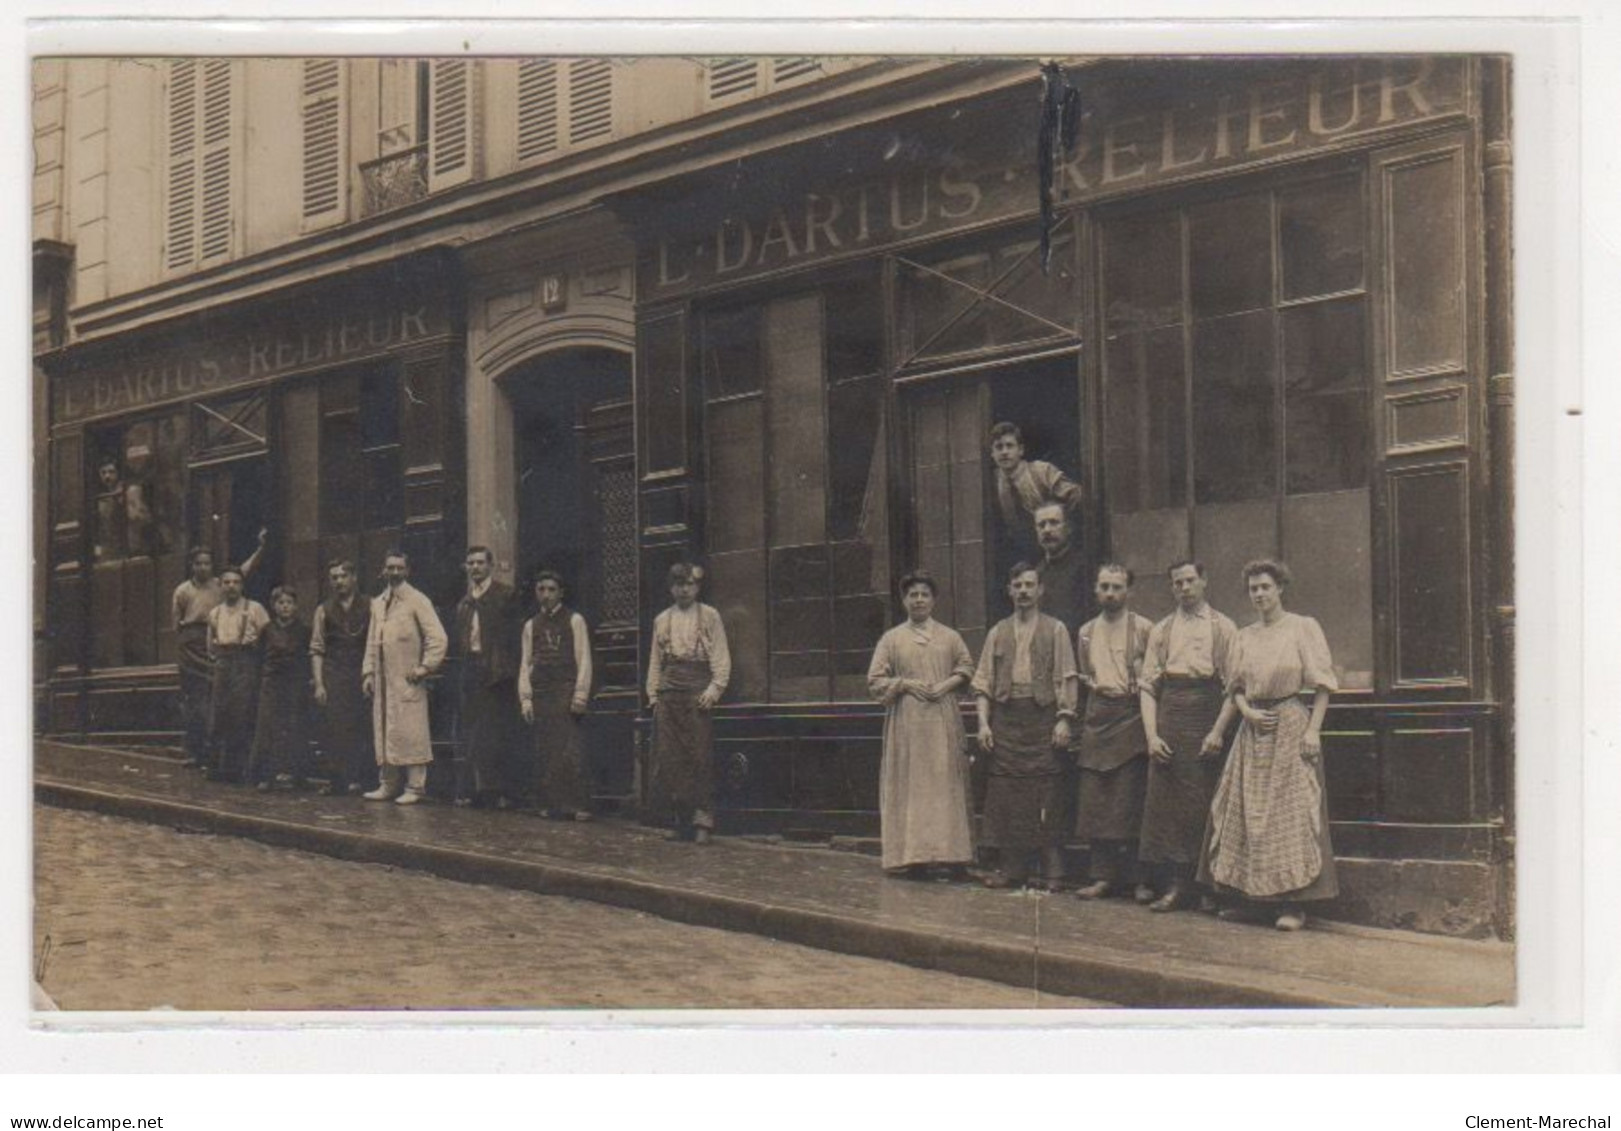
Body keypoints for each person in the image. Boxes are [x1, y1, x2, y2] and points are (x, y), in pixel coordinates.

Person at [1198, 559, 1339, 932]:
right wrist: (1246, 714)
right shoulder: (1243, 636)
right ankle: (1252, 902)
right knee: (1245, 814)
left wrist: (1313, 731)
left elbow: (1323, 685)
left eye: (1265, 587)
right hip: (1253, 730)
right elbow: (1236, 689)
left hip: (1290, 725)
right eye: (1253, 589)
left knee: (1288, 814)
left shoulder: (1302, 628)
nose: (1259, 594)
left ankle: (1293, 906)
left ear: (1280, 589)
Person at [1136, 560, 1238, 912]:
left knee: (1207, 801)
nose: (1184, 588)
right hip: (1171, 713)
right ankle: (1176, 885)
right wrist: (1151, 735)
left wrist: (1217, 732)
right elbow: (1148, 686)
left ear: (1204, 581)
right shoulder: (1162, 630)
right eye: (1177, 583)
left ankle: (1209, 887)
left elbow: (1234, 688)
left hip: (1207, 714)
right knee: (1169, 805)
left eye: (1190, 580)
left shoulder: (1223, 627)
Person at [971, 562, 1078, 890]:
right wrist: (983, 724)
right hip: (1006, 720)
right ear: (1009, 591)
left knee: (1047, 794)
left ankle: (1054, 873)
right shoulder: (997, 632)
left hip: (1042, 717)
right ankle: (1013, 870)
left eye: (1029, 585)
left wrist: (1064, 718)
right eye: (1017, 585)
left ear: (1040, 590)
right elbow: (983, 683)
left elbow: (1067, 677)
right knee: (1007, 795)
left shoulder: (1056, 629)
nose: (1023, 592)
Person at [866, 570, 976, 880]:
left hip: (942, 720)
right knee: (913, 786)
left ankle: (950, 856)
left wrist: (946, 686)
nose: (918, 600)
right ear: (904, 601)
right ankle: (914, 857)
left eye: (924, 594)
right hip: (908, 725)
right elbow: (875, 680)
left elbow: (967, 667)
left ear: (933, 600)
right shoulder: (892, 639)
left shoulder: (950, 637)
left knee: (944, 785)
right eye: (912, 594)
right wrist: (903, 684)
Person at [1072, 564, 1155, 902]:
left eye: (1117, 587)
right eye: (1104, 586)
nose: (1110, 593)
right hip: (1098, 716)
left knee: (1130, 800)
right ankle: (1102, 876)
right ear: (1095, 589)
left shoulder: (1145, 629)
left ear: (1129, 591)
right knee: (1097, 802)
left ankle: (1140, 880)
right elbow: (1084, 675)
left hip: (1131, 715)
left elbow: (1152, 678)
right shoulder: (1086, 632)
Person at [646, 563, 731, 844]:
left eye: (689, 584)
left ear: (697, 587)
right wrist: (653, 695)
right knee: (670, 757)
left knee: (699, 755)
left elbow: (720, 655)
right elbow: (655, 662)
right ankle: (678, 818)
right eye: (678, 584)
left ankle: (702, 821)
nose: (684, 589)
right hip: (669, 691)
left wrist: (714, 689)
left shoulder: (710, 616)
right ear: (671, 588)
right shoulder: (661, 620)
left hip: (697, 691)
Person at [362, 550, 449, 806]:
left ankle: (415, 787)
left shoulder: (417, 600)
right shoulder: (378, 603)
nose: (395, 572)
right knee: (385, 729)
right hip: (383, 681)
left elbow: (438, 638)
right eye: (390, 567)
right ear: (384, 570)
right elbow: (371, 641)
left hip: (407, 680)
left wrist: (424, 667)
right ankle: (388, 784)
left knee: (412, 731)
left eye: (400, 568)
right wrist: (368, 672)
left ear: (407, 571)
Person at [172, 532, 266, 770]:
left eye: (207, 563)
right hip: (193, 643)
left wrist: (260, 549)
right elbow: (177, 624)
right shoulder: (182, 591)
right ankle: (196, 752)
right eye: (198, 563)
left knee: (220, 703)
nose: (203, 567)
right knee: (195, 701)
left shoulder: (221, 584)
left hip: (221, 641)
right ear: (191, 566)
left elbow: (243, 571)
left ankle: (222, 757)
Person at [519, 570, 595, 821]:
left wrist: (580, 694)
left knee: (570, 748)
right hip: (542, 692)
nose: (546, 595)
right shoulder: (531, 625)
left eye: (552, 589)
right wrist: (526, 698)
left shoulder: (575, 620)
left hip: (566, 689)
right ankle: (550, 803)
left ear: (561, 592)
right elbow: (525, 663)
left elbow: (583, 659)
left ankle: (576, 804)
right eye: (541, 589)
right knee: (545, 749)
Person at [452, 546, 523, 808]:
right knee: (473, 731)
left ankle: (500, 790)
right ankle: (477, 789)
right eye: (470, 563)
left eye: (480, 563)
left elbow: (514, 639)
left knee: (497, 732)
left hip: (498, 673)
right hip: (471, 670)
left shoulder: (505, 595)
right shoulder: (464, 603)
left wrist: (507, 669)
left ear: (490, 566)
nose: (475, 568)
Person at [310, 559, 374, 795]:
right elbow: (317, 649)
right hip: (335, 675)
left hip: (363, 675)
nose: (339, 582)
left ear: (354, 578)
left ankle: (363, 780)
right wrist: (319, 684)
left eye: (343, 576)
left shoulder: (371, 605)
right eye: (334, 577)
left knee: (363, 727)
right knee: (335, 728)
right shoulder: (323, 610)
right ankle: (336, 781)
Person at [205, 565, 270, 783]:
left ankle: (246, 770)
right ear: (220, 586)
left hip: (247, 664)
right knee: (221, 715)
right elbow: (210, 647)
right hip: (224, 666)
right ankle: (223, 769)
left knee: (244, 714)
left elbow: (269, 639)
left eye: (236, 582)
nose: (231, 587)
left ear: (242, 585)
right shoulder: (215, 614)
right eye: (227, 582)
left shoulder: (255, 609)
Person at [248, 585, 314, 792]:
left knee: (296, 727)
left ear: (295, 606)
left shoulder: (304, 630)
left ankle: (298, 776)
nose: (285, 607)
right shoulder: (267, 630)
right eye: (280, 603)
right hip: (272, 684)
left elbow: (309, 657)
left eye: (289, 603)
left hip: (296, 684)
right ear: (273, 606)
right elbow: (258, 658)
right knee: (268, 728)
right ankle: (266, 776)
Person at [989, 422, 1083, 548]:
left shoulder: (1042, 471)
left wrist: (1065, 529)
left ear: (1020, 450)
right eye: (999, 447)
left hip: (1060, 545)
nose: (1004, 452)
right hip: (1028, 552)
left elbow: (1076, 495)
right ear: (992, 454)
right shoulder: (994, 483)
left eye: (1009, 446)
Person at [1032, 502, 1088, 639]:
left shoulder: (1085, 567)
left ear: (1068, 528)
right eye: (1041, 525)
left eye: (1054, 523)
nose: (1047, 530)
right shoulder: (1036, 574)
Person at [92, 456, 154, 561]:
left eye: (111, 472)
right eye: (103, 472)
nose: (107, 476)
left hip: (132, 548)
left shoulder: (130, 491)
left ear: (118, 473)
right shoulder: (102, 499)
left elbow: (139, 518)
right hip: (111, 550)